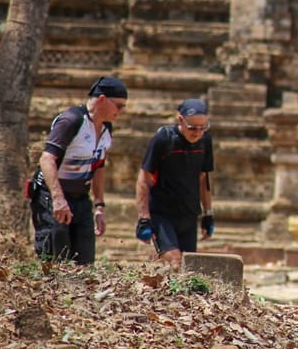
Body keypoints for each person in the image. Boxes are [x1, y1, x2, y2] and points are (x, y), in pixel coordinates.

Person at [27, 76, 127, 265]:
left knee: (85, 263)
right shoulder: (71, 120)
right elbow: (47, 159)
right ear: (102, 99)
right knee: (57, 258)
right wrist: (58, 199)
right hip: (53, 197)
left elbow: (98, 166)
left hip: (81, 199)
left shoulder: (106, 128)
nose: (122, 111)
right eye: (119, 105)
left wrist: (99, 206)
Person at [135, 98, 215, 269]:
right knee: (174, 260)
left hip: (189, 214)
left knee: (189, 268)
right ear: (180, 120)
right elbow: (144, 178)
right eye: (193, 128)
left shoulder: (205, 141)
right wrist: (143, 218)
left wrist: (208, 214)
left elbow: (204, 178)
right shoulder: (164, 138)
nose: (197, 133)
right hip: (162, 214)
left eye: (203, 128)